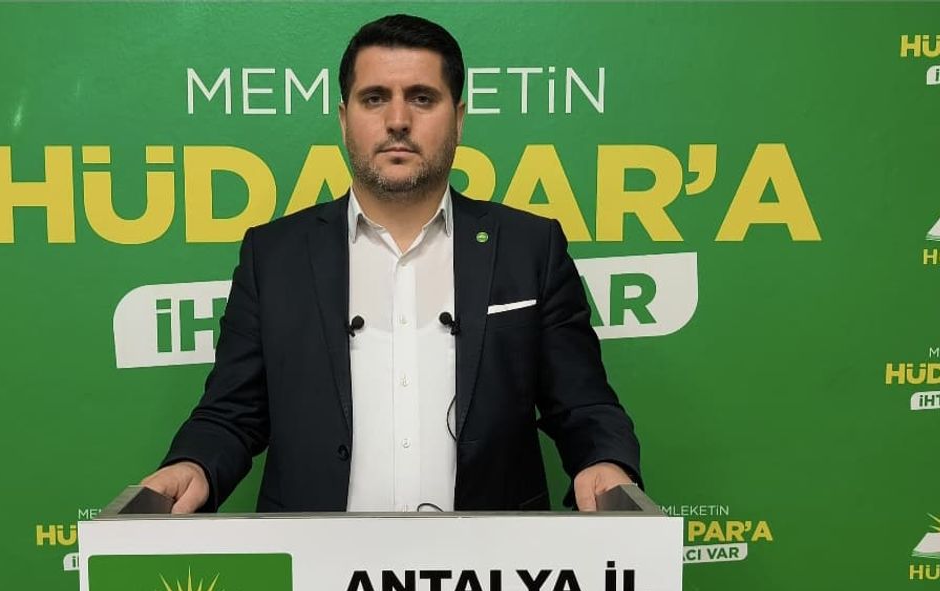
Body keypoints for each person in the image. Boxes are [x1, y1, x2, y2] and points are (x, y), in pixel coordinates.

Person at [142, 14, 640, 513]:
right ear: (344, 119)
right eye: (375, 98)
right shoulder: (273, 256)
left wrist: (604, 461)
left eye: (422, 98)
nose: (398, 120)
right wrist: (194, 464)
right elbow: (230, 413)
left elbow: (583, 404)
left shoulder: (530, 247)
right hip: (318, 553)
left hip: (491, 557)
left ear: (458, 118)